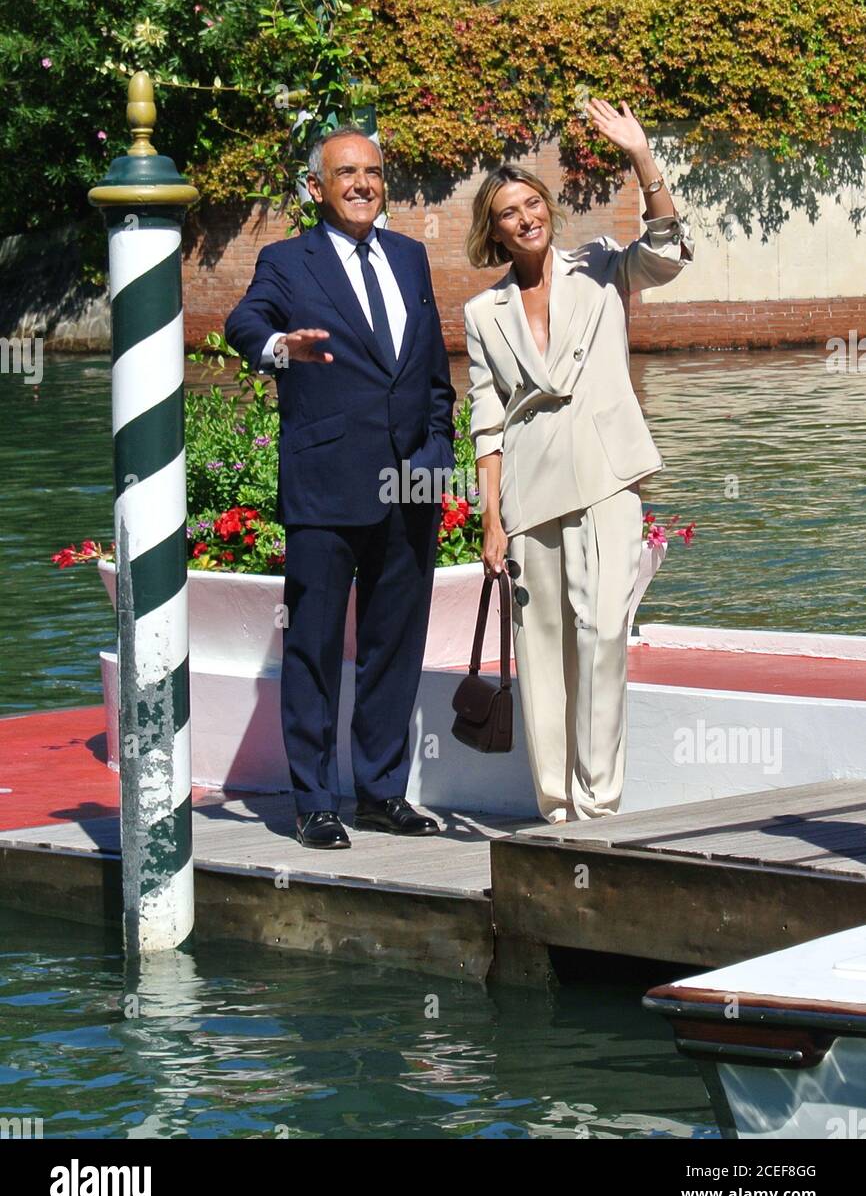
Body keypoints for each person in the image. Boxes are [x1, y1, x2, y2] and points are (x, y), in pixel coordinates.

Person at [463, 98, 694, 824]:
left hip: (605, 475)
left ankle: (602, 806)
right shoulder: (482, 313)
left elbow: (666, 254)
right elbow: (488, 420)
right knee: (541, 650)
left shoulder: (599, 265)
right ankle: (556, 807)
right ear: (493, 228)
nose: (526, 217)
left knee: (600, 638)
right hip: (529, 487)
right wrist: (491, 519)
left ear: (549, 210)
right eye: (509, 211)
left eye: (534, 203)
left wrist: (643, 158)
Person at [225, 125, 456, 848]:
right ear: (316, 188)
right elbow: (244, 321)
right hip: (326, 483)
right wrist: (277, 349)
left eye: (374, 172)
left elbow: (434, 375)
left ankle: (381, 791)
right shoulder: (287, 261)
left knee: (395, 644)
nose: (362, 183)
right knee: (316, 646)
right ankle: (316, 801)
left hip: (410, 482)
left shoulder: (412, 258)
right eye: (346, 172)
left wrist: (438, 454)